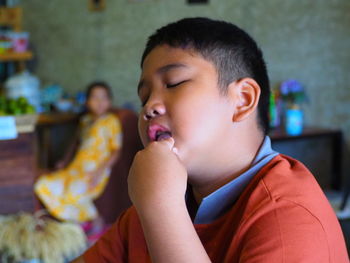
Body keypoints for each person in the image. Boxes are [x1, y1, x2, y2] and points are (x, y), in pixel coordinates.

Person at [74, 18, 349, 262]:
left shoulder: (289, 218)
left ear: (242, 100)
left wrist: (162, 209)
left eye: (174, 83)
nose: (149, 107)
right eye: (144, 96)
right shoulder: (149, 211)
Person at [35, 81, 122, 225]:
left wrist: (99, 172)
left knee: (72, 194)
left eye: (104, 98)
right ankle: (75, 225)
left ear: (109, 101)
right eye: (95, 98)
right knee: (45, 184)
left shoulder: (111, 121)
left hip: (95, 170)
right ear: (87, 102)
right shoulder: (85, 120)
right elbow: (77, 145)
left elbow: (116, 151)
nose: (100, 102)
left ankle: (94, 220)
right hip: (76, 168)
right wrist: (64, 161)